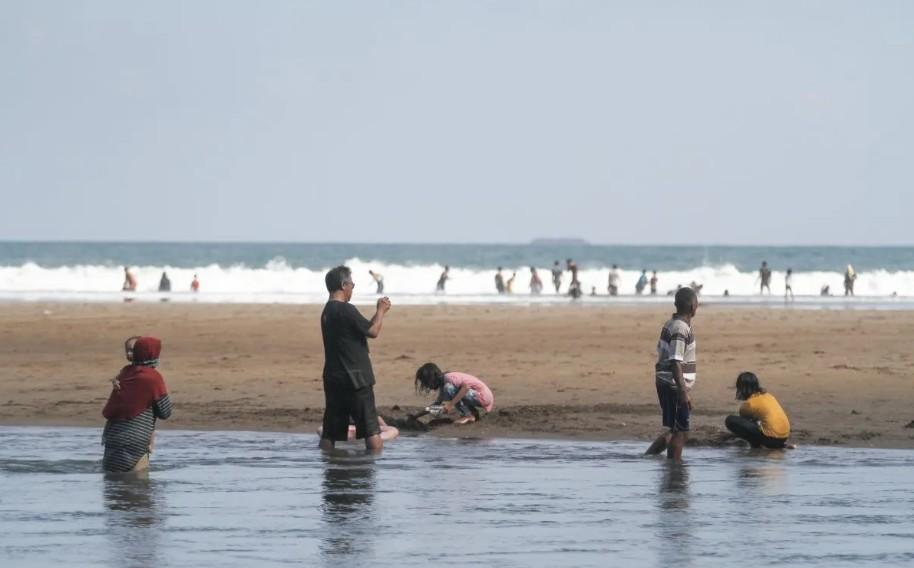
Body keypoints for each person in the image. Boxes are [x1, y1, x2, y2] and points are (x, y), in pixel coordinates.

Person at [319, 265, 391, 452]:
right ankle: (372, 471)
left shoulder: (327, 312)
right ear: (343, 285)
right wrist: (381, 310)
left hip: (334, 378)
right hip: (357, 378)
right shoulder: (347, 310)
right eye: (352, 284)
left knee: (329, 432)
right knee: (370, 430)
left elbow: (362, 329)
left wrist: (378, 312)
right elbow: (373, 331)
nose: (352, 288)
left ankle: (328, 470)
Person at [102, 336, 172, 472]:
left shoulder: (125, 372)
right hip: (136, 439)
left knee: (115, 482)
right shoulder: (153, 377)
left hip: (113, 437)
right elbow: (165, 412)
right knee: (139, 485)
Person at [645, 287, 699, 463]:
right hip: (673, 385)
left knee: (673, 430)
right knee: (682, 433)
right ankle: (674, 472)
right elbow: (675, 362)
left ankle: (647, 458)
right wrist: (683, 392)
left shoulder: (671, 324)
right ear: (692, 306)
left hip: (666, 382)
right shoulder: (680, 328)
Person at [724, 372, 790, 449]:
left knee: (730, 420)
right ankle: (779, 445)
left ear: (741, 388)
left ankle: (756, 445)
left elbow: (745, 422)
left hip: (771, 438)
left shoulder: (749, 404)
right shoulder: (769, 396)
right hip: (784, 437)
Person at [414, 363, 494, 425]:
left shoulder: (449, 378)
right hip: (476, 396)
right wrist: (417, 416)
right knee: (448, 391)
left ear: (433, 378)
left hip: (483, 396)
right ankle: (472, 414)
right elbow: (437, 405)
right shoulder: (444, 385)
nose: (427, 386)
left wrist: (450, 404)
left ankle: (468, 416)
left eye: (426, 383)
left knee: (449, 388)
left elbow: (466, 387)